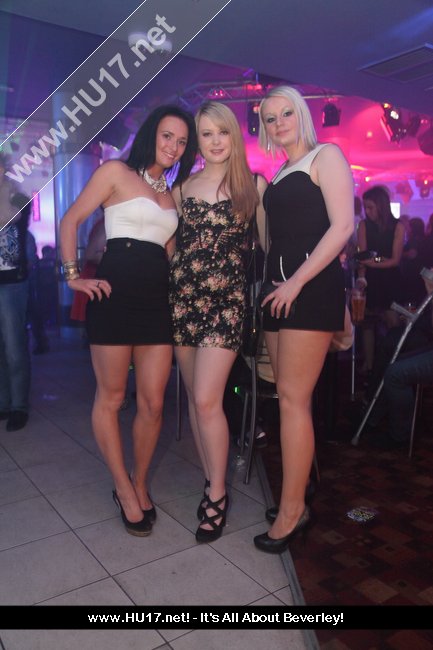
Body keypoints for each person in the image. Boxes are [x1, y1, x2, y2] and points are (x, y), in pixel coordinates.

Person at [59, 105, 197, 536]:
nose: (173, 147)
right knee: (113, 397)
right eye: (167, 136)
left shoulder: (171, 195)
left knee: (153, 402)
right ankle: (122, 487)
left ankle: (140, 482)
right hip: (114, 298)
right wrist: (73, 276)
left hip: (157, 304)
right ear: (151, 134)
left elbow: (169, 255)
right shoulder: (115, 172)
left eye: (181, 141)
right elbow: (71, 219)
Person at [253, 85, 354, 554]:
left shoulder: (325, 155)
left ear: (303, 114)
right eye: (270, 118)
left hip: (308, 292)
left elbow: (343, 227)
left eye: (286, 113)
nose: (279, 123)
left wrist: (295, 282)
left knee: (293, 401)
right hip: (278, 294)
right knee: (289, 400)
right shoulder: (278, 172)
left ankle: (292, 511)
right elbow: (273, 239)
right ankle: (296, 494)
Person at [169, 101, 266, 542]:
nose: (214, 141)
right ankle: (211, 476)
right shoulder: (182, 187)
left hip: (226, 306)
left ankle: (218, 495)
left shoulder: (253, 185)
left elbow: (272, 247)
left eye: (221, 132)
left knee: (209, 399)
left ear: (234, 135)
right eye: (205, 134)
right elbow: (170, 247)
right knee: (196, 398)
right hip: (183, 303)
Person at [356, 185, 405, 374]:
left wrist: (372, 262)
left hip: (390, 280)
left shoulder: (398, 226)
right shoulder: (363, 225)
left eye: (370, 207)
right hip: (371, 279)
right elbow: (363, 256)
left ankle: (393, 366)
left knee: (393, 322)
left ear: (381, 206)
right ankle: (369, 365)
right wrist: (363, 275)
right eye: (365, 207)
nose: (367, 212)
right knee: (368, 324)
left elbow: (395, 260)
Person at [0, 181, 32, 432]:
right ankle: (4, 403)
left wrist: (4, 189)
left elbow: (10, 217)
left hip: (12, 281)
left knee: (13, 346)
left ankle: (19, 406)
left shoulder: (17, 197)